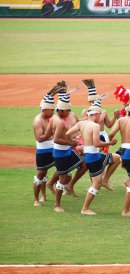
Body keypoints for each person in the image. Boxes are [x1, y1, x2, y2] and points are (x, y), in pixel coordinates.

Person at [66, 102, 120, 215]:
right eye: (99, 115)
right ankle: (85, 209)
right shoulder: (95, 126)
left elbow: (67, 133)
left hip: (91, 157)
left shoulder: (81, 124)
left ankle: (105, 181)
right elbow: (96, 143)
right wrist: (110, 142)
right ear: (96, 114)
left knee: (116, 158)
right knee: (96, 185)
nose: (100, 118)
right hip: (94, 158)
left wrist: (73, 142)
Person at [45, 81, 87, 212]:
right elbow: (56, 139)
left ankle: (68, 187)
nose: (69, 111)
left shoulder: (57, 119)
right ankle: (57, 205)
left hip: (66, 150)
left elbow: (49, 134)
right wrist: (71, 142)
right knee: (63, 178)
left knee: (83, 164)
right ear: (61, 110)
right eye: (67, 109)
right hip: (61, 151)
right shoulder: (59, 122)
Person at [32, 85, 60, 207]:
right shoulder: (38, 120)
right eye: (51, 110)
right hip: (43, 151)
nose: (53, 112)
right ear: (45, 109)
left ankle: (49, 188)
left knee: (63, 170)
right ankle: (37, 199)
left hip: (54, 149)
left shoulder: (51, 118)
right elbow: (39, 138)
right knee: (41, 175)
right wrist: (51, 135)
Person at [81, 79, 119, 153]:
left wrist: (114, 116)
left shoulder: (103, 111)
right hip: (90, 137)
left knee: (102, 157)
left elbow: (109, 125)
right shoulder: (85, 111)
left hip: (102, 137)